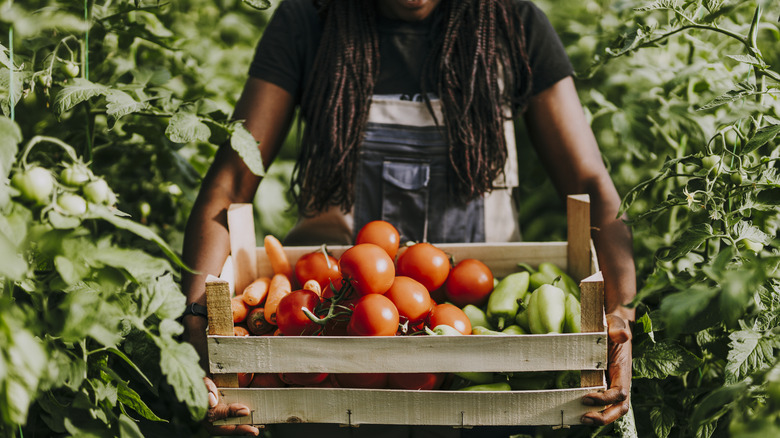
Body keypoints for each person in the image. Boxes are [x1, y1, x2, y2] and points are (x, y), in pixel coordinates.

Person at [180, 0, 636, 436]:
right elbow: (230, 185)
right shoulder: (310, 20)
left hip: (481, 360)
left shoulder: (513, 25)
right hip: (331, 359)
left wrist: (620, 314)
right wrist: (199, 330)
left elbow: (589, 183)